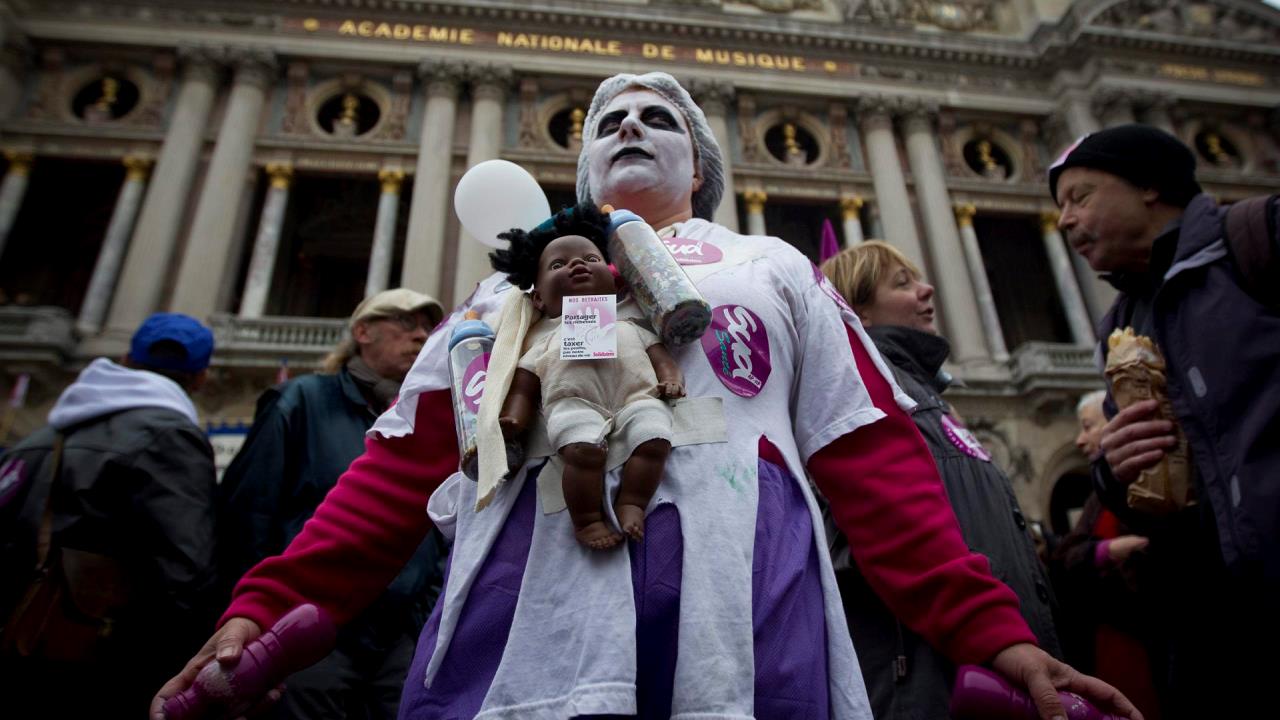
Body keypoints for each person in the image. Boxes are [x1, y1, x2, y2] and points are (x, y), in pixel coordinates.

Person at [155, 72, 1139, 720]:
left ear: (702, 170)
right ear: (578, 171)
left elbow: (874, 470)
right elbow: (393, 473)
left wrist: (994, 634)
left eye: (657, 118)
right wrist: (270, 607)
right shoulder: (498, 297)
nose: (628, 126)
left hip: (745, 627)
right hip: (518, 633)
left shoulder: (774, 269)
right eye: (606, 123)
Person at [1050, 123, 1280, 716]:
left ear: (1149, 185)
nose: (1065, 221)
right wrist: (1115, 472)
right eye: (1060, 207)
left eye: (1081, 197)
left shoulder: (1259, 241)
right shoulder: (1121, 325)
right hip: (1218, 628)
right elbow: (1141, 498)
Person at [820, 241, 1063, 719]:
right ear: (859, 313)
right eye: (902, 283)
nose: (927, 289)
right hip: (929, 677)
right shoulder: (864, 397)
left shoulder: (928, 400)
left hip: (996, 665)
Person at [217, 288, 446, 720]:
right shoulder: (300, 400)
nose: (421, 336)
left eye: (427, 327)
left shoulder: (423, 418)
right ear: (363, 332)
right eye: (406, 322)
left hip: (399, 635)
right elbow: (249, 512)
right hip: (306, 631)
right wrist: (258, 615)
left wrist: (422, 613)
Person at [1, 312, 218, 718]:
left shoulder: (38, 438)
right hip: (94, 657)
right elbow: (186, 571)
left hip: (16, 637)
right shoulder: (171, 437)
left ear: (124, 358)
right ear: (201, 377)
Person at [489, 203, 684, 549]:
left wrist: (671, 377)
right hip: (572, 402)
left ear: (613, 278)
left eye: (591, 259)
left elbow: (660, 356)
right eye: (558, 265)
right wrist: (513, 418)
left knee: (654, 438)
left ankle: (633, 502)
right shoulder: (543, 340)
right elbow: (524, 387)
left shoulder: (629, 324)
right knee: (581, 451)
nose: (577, 264)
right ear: (537, 299)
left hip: (638, 397)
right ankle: (587, 519)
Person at [1049, 390, 1162, 720]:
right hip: (1113, 644)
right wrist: (1106, 550)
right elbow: (1067, 555)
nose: (1080, 440)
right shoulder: (1099, 495)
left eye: (1088, 426)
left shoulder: (1156, 483)